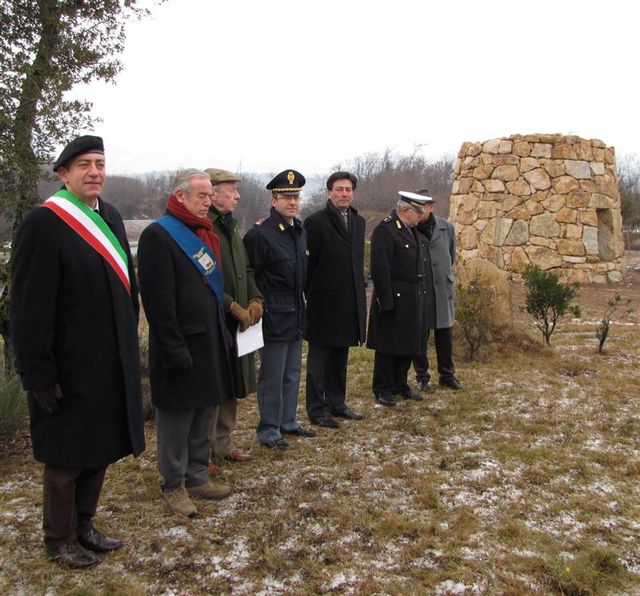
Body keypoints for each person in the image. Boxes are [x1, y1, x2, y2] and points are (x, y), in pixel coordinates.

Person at [10, 135, 145, 569]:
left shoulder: (112, 217)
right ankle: (59, 538)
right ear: (63, 174)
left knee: (99, 447)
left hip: (109, 362)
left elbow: (127, 288)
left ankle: (84, 525)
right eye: (84, 164)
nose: (94, 172)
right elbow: (29, 308)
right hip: (66, 367)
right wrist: (38, 376)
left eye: (100, 163)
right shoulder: (44, 223)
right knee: (66, 458)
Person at [137, 169, 233, 518]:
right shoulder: (159, 236)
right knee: (177, 419)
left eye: (210, 196)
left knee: (204, 411)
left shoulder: (204, 234)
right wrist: (174, 348)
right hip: (179, 345)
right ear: (180, 196)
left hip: (208, 342)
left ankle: (196, 475)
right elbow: (158, 303)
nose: (208, 201)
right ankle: (173, 484)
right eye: (201, 195)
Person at [243, 169, 316, 450]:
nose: (292, 202)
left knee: (291, 373)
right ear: (273, 200)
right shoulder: (260, 234)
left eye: (295, 197)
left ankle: (288, 422)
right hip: (274, 314)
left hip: (296, 311)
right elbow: (252, 276)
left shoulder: (299, 231)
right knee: (272, 376)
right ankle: (269, 429)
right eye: (286, 197)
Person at [205, 168, 263, 473]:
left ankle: (224, 445)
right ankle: (204, 451)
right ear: (213, 192)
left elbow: (246, 269)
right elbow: (206, 277)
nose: (238, 196)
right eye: (231, 190)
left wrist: (255, 299)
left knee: (234, 382)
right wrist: (232, 306)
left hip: (239, 321)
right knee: (215, 384)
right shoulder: (206, 227)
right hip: (218, 319)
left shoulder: (230, 226)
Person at [303, 171, 366, 428]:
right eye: (339, 189)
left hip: (348, 301)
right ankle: (317, 409)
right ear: (329, 192)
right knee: (319, 359)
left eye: (348, 189)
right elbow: (308, 264)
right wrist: (313, 296)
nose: (344, 194)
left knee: (340, 355)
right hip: (323, 303)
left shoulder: (358, 221)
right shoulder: (315, 222)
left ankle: (337, 403)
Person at [366, 192, 431, 407]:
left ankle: (400, 383)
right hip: (394, 296)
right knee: (388, 345)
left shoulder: (412, 231)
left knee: (408, 343)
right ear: (406, 211)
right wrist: (386, 301)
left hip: (413, 297)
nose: (421, 216)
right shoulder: (386, 230)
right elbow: (380, 268)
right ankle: (383, 387)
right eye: (418, 212)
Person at [413, 190, 462, 390]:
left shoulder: (446, 228)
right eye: (417, 205)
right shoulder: (411, 228)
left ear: (432, 206)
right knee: (419, 336)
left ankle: (447, 374)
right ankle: (422, 376)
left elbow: (451, 255)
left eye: (425, 205)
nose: (421, 209)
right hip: (420, 289)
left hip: (442, 288)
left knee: (444, 335)